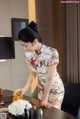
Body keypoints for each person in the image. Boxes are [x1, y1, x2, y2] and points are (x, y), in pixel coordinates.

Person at [13, 21, 64, 109]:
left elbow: (49, 78)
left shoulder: (52, 53)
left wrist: (45, 99)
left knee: (53, 114)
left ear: (35, 42)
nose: (24, 49)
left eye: (25, 45)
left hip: (55, 89)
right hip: (42, 89)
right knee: (42, 114)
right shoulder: (29, 55)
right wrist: (24, 89)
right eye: (22, 46)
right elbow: (32, 74)